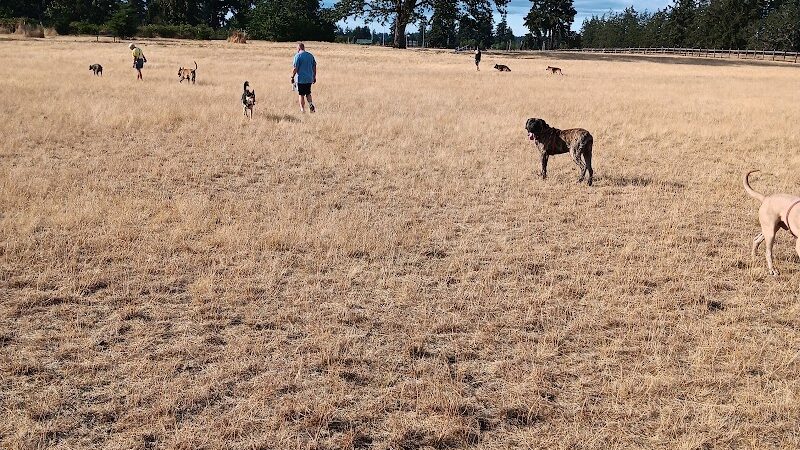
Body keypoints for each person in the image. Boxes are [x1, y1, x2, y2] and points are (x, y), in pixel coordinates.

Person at [291, 42, 317, 113]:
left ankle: (302, 109)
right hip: (309, 78)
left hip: (301, 79)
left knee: (301, 94)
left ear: (298, 48)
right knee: (308, 93)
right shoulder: (310, 55)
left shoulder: (298, 56)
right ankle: (311, 105)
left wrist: (292, 77)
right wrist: (314, 76)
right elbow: (314, 66)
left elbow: (295, 68)